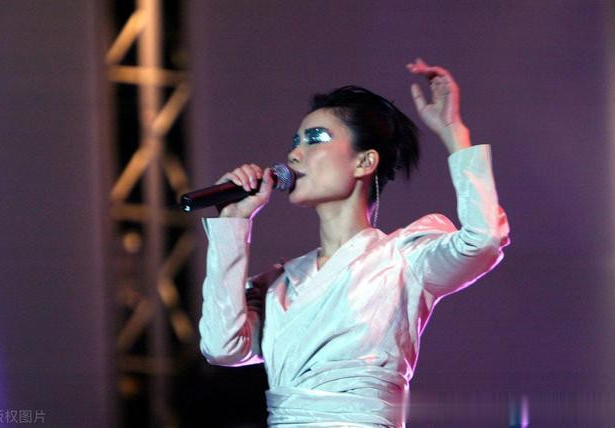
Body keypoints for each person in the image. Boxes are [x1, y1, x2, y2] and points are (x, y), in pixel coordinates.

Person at [198, 58, 511, 427]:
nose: (294, 154)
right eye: (295, 142)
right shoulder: (281, 283)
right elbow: (222, 347)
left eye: (315, 139)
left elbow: (483, 241)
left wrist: (454, 132)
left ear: (364, 162)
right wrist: (233, 223)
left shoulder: (403, 259)